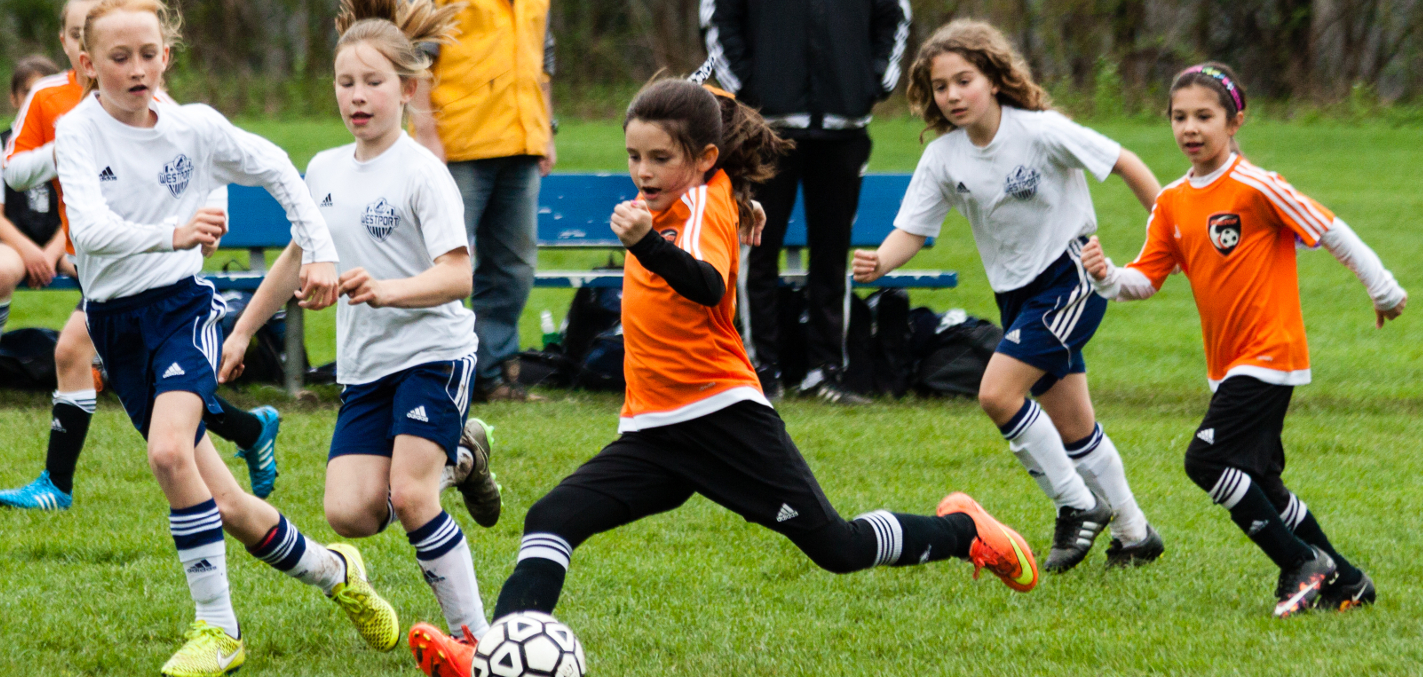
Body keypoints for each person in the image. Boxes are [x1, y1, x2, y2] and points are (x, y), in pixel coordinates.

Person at [416, 77, 1042, 677]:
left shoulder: (698, 209)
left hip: (721, 418)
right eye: (634, 156)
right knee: (552, 518)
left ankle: (965, 531)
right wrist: (730, 187)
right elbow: (710, 102)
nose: (643, 171)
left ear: (704, 158)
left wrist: (646, 243)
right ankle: (494, 656)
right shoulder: (700, 186)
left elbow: (707, 283)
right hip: (656, 432)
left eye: (660, 158)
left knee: (840, 549)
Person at [55, 1, 399, 672]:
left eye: (149, 54)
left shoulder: (195, 128)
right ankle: (337, 572)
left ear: (167, 55)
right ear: (87, 65)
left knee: (166, 453)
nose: (137, 69)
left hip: (180, 311)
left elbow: (277, 169)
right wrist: (174, 231)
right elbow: (89, 231)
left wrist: (319, 249)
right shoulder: (77, 131)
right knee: (233, 506)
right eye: (119, 58)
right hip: (116, 327)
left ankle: (219, 628)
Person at [219, 2, 504, 675]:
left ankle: (478, 641)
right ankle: (462, 457)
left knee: (410, 495)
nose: (357, 96)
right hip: (367, 367)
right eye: (345, 82)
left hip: (434, 352)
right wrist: (243, 328)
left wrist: (385, 286)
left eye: (373, 82)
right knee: (350, 512)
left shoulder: (422, 172)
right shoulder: (322, 170)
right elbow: (296, 256)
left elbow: (459, 274)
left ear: (407, 89)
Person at [1081, 62, 1406, 617]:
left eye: (1204, 116)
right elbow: (1146, 279)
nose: (1190, 128)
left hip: (1270, 354)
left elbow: (1329, 229)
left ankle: (1299, 564)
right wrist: (1108, 275)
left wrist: (1384, 289)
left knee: (1205, 462)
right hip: (1228, 364)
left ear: (1234, 121)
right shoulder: (1172, 202)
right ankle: (1349, 582)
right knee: (1263, 484)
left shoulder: (1257, 186)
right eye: (1179, 117)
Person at [851, 20, 1164, 572]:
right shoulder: (945, 157)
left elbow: (1125, 163)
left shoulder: (1040, 131)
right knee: (1074, 426)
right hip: (1015, 298)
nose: (952, 95)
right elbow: (913, 230)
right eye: (940, 86)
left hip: (1068, 280)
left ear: (994, 79)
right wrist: (882, 259)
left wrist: (1171, 233)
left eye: (963, 80)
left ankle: (1076, 504)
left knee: (997, 393)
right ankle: (1136, 534)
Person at [0, 0, 283, 511]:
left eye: (144, 53)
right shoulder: (51, 101)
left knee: (75, 353)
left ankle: (57, 483)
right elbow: (15, 173)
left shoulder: (149, 96)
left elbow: (204, 156)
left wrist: (214, 217)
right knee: (152, 377)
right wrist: (69, 149)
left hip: (146, 267)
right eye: (78, 32)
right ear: (72, 46)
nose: (133, 66)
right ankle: (249, 427)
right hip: (95, 252)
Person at [702, 0, 912, 404]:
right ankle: (759, 371)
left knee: (832, 254)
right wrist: (746, 87)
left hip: (844, 124)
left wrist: (873, 81)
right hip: (766, 126)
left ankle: (827, 372)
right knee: (756, 251)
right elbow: (717, 13)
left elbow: (895, 14)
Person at [409, 0, 556, 403]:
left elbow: (543, 59)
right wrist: (426, 132)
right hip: (458, 146)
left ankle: (492, 374)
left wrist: (547, 129)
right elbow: (416, 56)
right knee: (440, 262)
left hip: (523, 142)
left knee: (514, 266)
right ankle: (430, 370)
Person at [0, 55, 67, 388]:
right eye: (28, 92)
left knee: (101, 267)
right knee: (2, 271)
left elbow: (79, 212)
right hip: (8, 243)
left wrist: (54, 251)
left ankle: (96, 364)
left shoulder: (69, 144)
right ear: (15, 98)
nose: (34, 100)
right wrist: (30, 252)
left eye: (43, 92)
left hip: (61, 241)